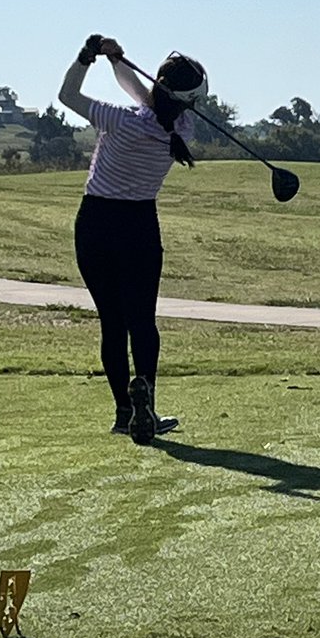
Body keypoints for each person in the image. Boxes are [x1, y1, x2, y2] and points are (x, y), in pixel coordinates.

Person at [58, 34, 207, 445]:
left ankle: (125, 412)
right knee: (141, 321)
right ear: (191, 100)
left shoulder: (118, 119)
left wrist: (87, 56)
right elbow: (149, 99)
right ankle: (148, 403)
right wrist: (117, 61)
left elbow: (68, 94)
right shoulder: (182, 130)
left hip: (94, 224)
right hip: (139, 227)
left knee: (112, 323)